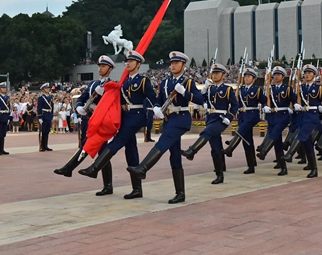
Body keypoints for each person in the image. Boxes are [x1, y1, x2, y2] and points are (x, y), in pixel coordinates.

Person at [127, 51, 204, 204]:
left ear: (183, 65)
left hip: (181, 119)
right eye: (172, 63)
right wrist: (156, 108)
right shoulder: (165, 82)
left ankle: (143, 168)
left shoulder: (187, 82)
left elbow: (200, 99)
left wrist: (185, 93)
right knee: (174, 155)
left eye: (176, 63)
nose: (173, 65)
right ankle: (180, 193)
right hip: (169, 119)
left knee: (163, 141)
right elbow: (158, 99)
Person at [78, 50, 157, 199]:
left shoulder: (143, 80)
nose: (127, 63)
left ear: (138, 64)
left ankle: (95, 168)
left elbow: (152, 98)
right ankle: (137, 189)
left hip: (137, 116)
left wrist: (156, 109)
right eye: (126, 61)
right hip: (125, 116)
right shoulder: (124, 81)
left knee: (117, 141)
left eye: (131, 61)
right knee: (131, 150)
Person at [54, 56, 114, 180]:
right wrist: (80, 106)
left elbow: (112, 103)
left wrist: (105, 94)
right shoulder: (93, 84)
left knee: (89, 147)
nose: (100, 69)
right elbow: (82, 98)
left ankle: (69, 168)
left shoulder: (112, 84)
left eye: (103, 66)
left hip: (101, 122)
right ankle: (107, 185)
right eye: (99, 66)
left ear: (110, 68)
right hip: (90, 119)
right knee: (101, 152)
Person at [181, 63, 238, 184]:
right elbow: (200, 100)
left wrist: (229, 117)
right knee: (215, 148)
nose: (215, 75)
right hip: (210, 118)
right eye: (213, 73)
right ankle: (219, 174)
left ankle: (192, 151)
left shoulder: (227, 89)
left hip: (221, 119)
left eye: (217, 73)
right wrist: (204, 89)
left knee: (207, 132)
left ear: (223, 75)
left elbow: (235, 105)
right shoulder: (210, 89)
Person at [222, 67, 266, 174]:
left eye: (249, 77)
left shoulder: (257, 90)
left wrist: (265, 106)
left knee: (241, 131)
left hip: (252, 115)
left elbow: (264, 100)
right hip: (242, 115)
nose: (246, 78)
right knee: (247, 141)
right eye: (245, 76)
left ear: (253, 79)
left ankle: (230, 147)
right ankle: (251, 165)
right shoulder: (240, 90)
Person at [294, 64, 322, 178]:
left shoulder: (318, 88)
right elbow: (295, 100)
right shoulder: (301, 87)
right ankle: (313, 167)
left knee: (302, 136)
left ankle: (289, 154)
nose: (307, 75)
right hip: (303, 117)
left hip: (313, 117)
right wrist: (295, 104)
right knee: (307, 143)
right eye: (306, 73)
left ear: (314, 75)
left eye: (310, 73)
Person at [257, 66, 294, 176]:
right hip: (272, 116)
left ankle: (264, 151)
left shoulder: (287, 88)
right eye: (275, 75)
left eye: (278, 75)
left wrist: (293, 105)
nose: (276, 77)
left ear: (283, 77)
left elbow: (294, 99)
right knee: (277, 143)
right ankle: (282, 166)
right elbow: (264, 100)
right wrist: (264, 106)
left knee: (274, 133)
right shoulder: (269, 89)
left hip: (282, 116)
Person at [0, 82, 12, 155]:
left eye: (5, 88)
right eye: (3, 88)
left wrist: (8, 117)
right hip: (0, 116)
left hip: (5, 116)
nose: (4, 89)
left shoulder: (7, 98)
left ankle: (2, 149)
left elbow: (9, 108)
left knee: (3, 134)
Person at [36, 83, 54, 151]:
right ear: (43, 90)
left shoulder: (50, 97)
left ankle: (46, 145)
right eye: (46, 88)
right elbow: (39, 107)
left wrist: (51, 114)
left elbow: (52, 107)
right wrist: (40, 117)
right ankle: (42, 146)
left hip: (49, 115)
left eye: (48, 88)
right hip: (44, 115)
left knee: (47, 131)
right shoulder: (41, 98)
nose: (48, 89)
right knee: (42, 131)